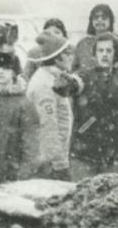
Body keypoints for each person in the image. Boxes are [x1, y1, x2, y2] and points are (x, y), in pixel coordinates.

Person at [70, 33, 118, 179]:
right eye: (101, 50)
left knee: (110, 197)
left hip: (114, 152)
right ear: (95, 53)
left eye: (109, 51)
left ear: (115, 54)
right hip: (84, 150)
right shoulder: (84, 76)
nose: (104, 55)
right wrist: (69, 83)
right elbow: (74, 83)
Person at [0, 51, 39, 185]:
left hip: (12, 174)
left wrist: (23, 174)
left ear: (14, 73)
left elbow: (31, 143)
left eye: (6, 68)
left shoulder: (24, 104)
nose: (0, 72)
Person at [25, 31, 79, 180]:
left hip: (53, 158)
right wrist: (60, 165)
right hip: (49, 164)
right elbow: (48, 126)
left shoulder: (54, 77)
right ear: (56, 57)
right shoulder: (44, 84)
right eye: (67, 53)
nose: (71, 57)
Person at [71, 4, 118, 74]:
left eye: (104, 17)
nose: (99, 20)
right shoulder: (83, 43)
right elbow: (74, 68)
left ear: (111, 20)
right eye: (96, 17)